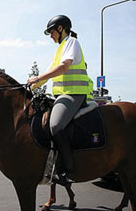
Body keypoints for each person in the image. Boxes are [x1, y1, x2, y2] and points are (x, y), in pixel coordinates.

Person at [27, 15, 92, 178]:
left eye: (51, 32)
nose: (50, 36)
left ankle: (66, 168)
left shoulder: (72, 43)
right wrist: (29, 86)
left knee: (55, 125)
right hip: (62, 96)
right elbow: (47, 75)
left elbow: (64, 67)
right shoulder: (60, 49)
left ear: (61, 28)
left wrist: (37, 79)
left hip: (74, 95)